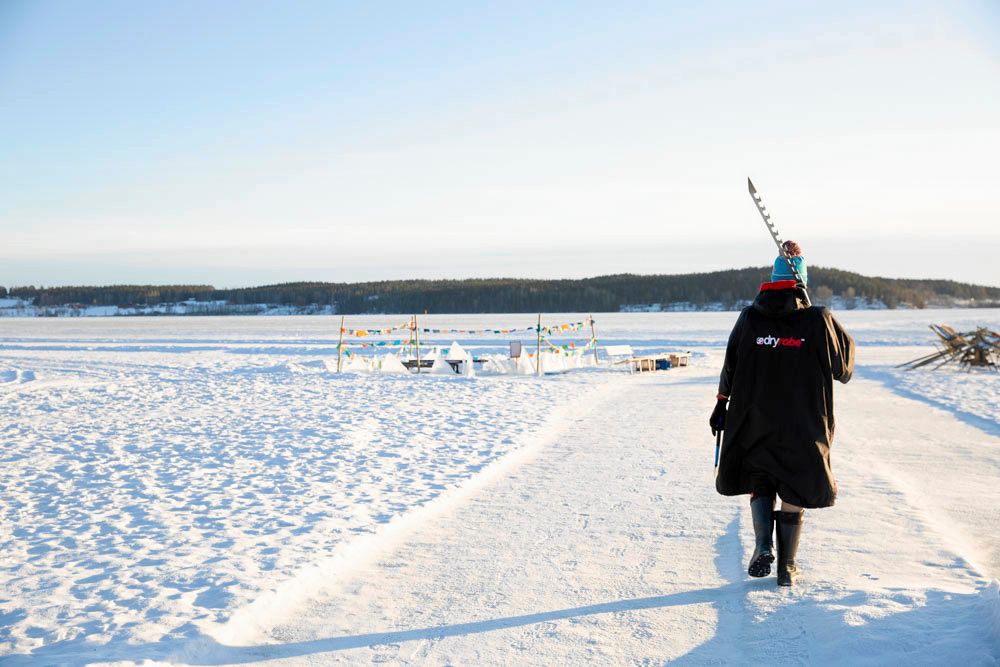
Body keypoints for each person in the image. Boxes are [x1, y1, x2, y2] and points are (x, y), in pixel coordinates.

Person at [709, 265, 854, 587]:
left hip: (753, 414)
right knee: (798, 478)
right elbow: (842, 368)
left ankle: (763, 545)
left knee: (760, 475)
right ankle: (787, 566)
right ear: (802, 287)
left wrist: (722, 402)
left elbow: (730, 362)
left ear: (770, 286)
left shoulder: (749, 317)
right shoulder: (819, 318)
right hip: (803, 417)